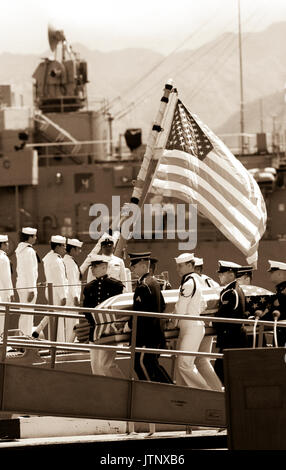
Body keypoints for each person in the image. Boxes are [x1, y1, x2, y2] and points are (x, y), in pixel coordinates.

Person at [174, 252, 220, 390]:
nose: (178, 269)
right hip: (195, 325)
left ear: (190, 265)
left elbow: (181, 308)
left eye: (180, 266)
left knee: (184, 364)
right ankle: (216, 389)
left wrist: (172, 322)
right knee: (198, 361)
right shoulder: (199, 281)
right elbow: (203, 305)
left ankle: (206, 391)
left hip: (190, 326)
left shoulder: (189, 283)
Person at [129, 252, 173, 384]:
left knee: (141, 364)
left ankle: (153, 393)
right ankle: (169, 388)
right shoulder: (154, 283)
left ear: (143, 266)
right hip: (155, 334)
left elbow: (138, 312)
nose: (132, 269)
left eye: (134, 266)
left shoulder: (144, 286)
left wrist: (130, 326)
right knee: (151, 364)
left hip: (146, 337)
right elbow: (163, 305)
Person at [82, 254, 124, 377]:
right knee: (95, 367)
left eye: (95, 266)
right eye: (92, 267)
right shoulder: (89, 287)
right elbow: (87, 309)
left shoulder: (116, 286)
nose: (92, 269)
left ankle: (120, 387)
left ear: (104, 267)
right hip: (94, 330)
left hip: (109, 330)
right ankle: (103, 392)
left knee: (106, 365)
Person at [213, 261, 253, 384]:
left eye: (222, 273)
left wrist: (210, 324)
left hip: (231, 339)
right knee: (231, 374)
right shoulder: (237, 290)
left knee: (221, 372)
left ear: (231, 274)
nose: (219, 275)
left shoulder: (230, 293)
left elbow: (222, 316)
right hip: (237, 337)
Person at [33, 235, 69, 341]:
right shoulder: (56, 261)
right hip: (57, 292)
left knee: (52, 316)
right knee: (59, 320)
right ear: (57, 247)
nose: (65, 248)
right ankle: (60, 345)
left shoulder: (49, 257)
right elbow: (59, 279)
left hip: (50, 290)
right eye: (63, 246)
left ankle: (40, 332)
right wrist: (63, 295)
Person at [15, 227, 39, 335]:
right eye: (34, 236)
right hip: (28, 287)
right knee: (28, 314)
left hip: (22, 285)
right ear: (29, 237)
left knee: (24, 313)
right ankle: (26, 339)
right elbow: (30, 271)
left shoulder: (20, 250)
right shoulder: (29, 251)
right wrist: (32, 289)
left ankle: (22, 337)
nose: (35, 238)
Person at [63, 238, 83, 342]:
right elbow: (72, 280)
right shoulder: (70, 262)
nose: (80, 251)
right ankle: (69, 343)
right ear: (73, 249)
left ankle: (69, 342)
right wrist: (75, 296)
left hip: (71, 295)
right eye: (78, 249)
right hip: (72, 297)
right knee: (72, 321)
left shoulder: (68, 260)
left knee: (72, 321)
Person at [263, 260, 286, 346]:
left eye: (272, 272)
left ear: (280, 274)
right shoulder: (280, 290)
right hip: (280, 329)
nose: (270, 275)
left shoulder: (284, 291)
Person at [0, 234, 14, 333]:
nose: (8, 244)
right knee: (2, 320)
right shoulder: (3, 258)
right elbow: (6, 278)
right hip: (2, 294)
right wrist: (11, 294)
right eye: (6, 243)